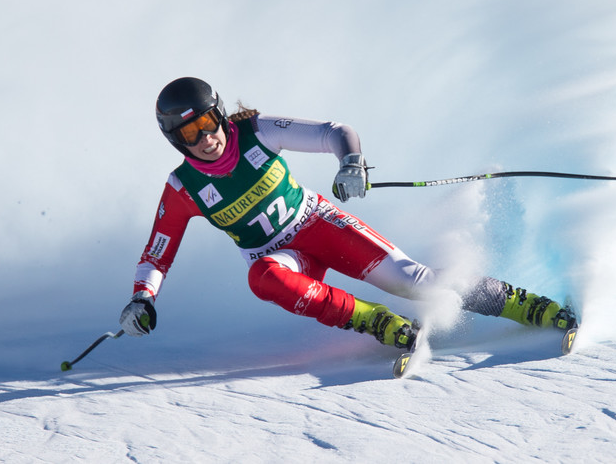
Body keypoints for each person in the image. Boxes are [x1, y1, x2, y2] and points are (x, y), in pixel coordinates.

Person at [119, 77, 578, 351]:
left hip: (320, 226)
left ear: (219, 114)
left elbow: (335, 132)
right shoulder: (183, 188)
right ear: (177, 143)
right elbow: (158, 253)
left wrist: (351, 161)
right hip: (284, 260)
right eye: (188, 134)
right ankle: (375, 321)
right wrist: (143, 299)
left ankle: (529, 305)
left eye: (206, 122)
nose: (204, 138)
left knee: (417, 283)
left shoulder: (255, 132)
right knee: (263, 277)